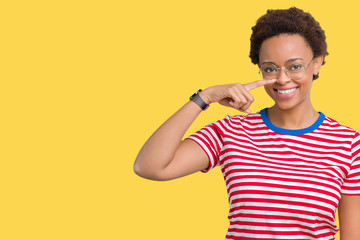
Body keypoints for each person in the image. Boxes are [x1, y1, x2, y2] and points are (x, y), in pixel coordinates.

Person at [133, 7, 360, 240]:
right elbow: (149, 166)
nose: (282, 79)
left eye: (294, 66)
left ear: (317, 63)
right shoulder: (231, 131)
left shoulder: (349, 144)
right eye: (270, 69)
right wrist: (205, 97)